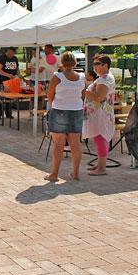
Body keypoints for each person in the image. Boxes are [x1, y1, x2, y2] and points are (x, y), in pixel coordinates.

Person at [45, 52, 85, 182]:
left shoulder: (57, 77)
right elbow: (82, 95)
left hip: (59, 109)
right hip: (76, 110)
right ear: (74, 63)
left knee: (58, 145)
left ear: (62, 62)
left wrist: (53, 105)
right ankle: (76, 172)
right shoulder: (81, 77)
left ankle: (55, 173)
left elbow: (50, 94)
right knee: (75, 144)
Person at [83, 54, 115, 176]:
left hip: (101, 113)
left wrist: (85, 91)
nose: (94, 67)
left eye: (97, 64)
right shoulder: (104, 78)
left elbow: (99, 97)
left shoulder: (105, 79)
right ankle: (101, 163)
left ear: (105, 65)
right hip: (99, 113)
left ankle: (101, 168)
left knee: (100, 138)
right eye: (94, 64)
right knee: (98, 138)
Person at [0, 47, 21, 119]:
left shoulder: (15, 58)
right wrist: (7, 75)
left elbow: (17, 69)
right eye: (12, 53)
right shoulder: (2, 58)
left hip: (11, 81)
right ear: (8, 51)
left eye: (14, 53)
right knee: (0, 98)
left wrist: (19, 74)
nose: (12, 55)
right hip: (1, 81)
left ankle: (8, 113)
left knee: (9, 98)